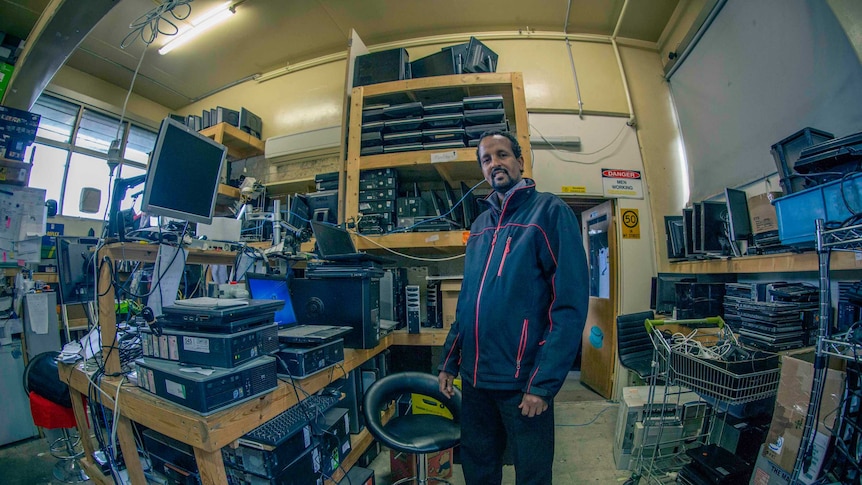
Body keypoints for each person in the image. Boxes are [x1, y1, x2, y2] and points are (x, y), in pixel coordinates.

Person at [438, 130, 590, 484]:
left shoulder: (549, 213)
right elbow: (468, 302)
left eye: (502, 154)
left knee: (532, 473)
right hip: (476, 381)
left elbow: (568, 306)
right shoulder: (478, 226)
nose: (495, 163)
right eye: (487, 159)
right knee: (478, 468)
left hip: (522, 382)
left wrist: (542, 384)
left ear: (520, 161)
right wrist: (449, 361)